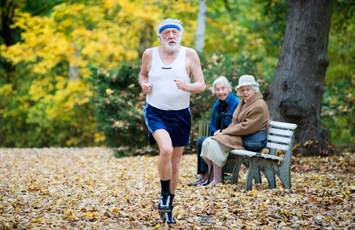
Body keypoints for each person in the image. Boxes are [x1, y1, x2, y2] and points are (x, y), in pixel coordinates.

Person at [138, 18, 205, 224]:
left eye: (174, 32)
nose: (171, 36)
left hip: (180, 115)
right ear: (160, 37)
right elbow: (142, 74)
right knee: (165, 150)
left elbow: (201, 84)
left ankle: (169, 208)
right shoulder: (150, 54)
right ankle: (164, 196)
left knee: (175, 164)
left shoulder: (189, 54)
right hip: (156, 112)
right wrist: (144, 84)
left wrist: (188, 87)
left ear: (180, 35)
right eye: (166, 33)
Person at [200, 75, 270, 186]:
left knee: (214, 143)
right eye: (242, 90)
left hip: (250, 139)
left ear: (254, 89)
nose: (245, 92)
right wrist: (222, 132)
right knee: (207, 142)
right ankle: (212, 176)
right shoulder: (244, 102)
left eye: (248, 89)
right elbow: (234, 121)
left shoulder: (259, 105)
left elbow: (246, 127)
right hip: (240, 136)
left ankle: (217, 179)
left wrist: (224, 132)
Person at [187, 76, 240, 186]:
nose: (221, 92)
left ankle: (210, 176)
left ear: (229, 89)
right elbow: (211, 123)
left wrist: (223, 132)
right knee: (201, 140)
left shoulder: (236, 103)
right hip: (218, 135)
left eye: (223, 88)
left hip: (229, 137)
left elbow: (236, 124)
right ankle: (204, 176)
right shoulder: (217, 104)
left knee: (205, 141)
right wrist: (215, 131)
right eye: (218, 89)